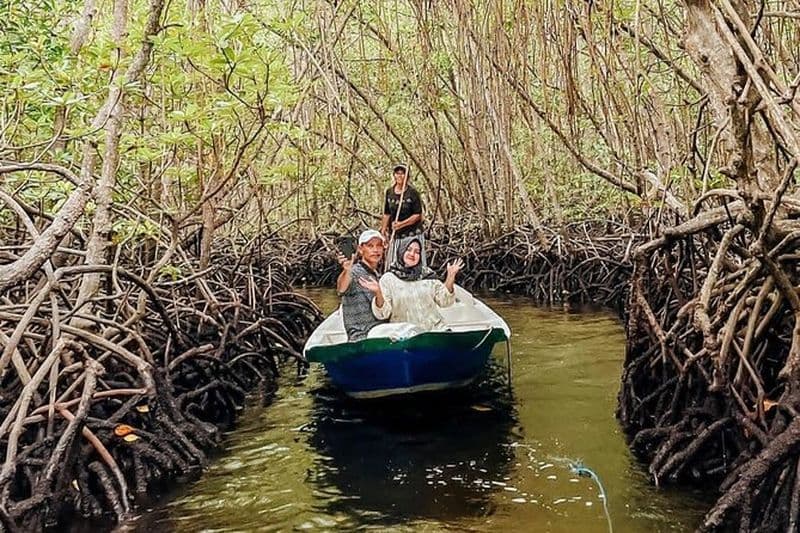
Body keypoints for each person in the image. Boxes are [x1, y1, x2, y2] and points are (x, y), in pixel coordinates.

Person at [360, 236, 464, 332]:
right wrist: (378, 292)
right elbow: (383, 314)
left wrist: (450, 276)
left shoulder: (427, 274)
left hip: (435, 331)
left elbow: (445, 301)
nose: (412, 254)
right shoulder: (388, 279)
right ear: (401, 251)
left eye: (417, 252)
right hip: (406, 334)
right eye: (408, 250)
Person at [337, 229, 388, 341]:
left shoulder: (378, 276)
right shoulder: (354, 272)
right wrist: (346, 270)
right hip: (361, 337)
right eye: (370, 246)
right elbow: (341, 289)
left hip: (380, 334)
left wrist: (378, 292)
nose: (375, 250)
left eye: (379, 246)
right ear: (360, 249)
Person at [380, 164, 425, 267]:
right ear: (394, 175)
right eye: (397, 173)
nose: (400, 176)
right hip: (395, 235)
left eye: (403, 173)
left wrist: (402, 224)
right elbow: (387, 213)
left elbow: (417, 215)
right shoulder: (389, 192)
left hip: (412, 235)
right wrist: (383, 231)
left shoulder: (413, 193)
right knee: (393, 262)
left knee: (413, 262)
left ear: (407, 176)